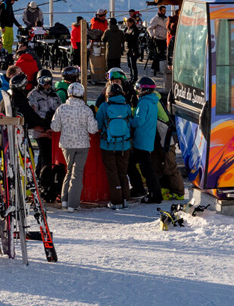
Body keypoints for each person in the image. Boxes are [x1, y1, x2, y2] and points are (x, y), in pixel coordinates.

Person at [50, 82, 97, 211]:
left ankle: (64, 200)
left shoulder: (62, 108)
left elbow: (55, 127)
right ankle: (73, 204)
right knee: (77, 173)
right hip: (82, 144)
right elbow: (93, 129)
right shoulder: (86, 109)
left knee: (68, 171)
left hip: (66, 144)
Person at [96, 81, 133, 209]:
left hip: (108, 145)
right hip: (125, 145)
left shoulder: (104, 107)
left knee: (112, 172)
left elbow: (98, 125)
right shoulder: (127, 106)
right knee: (123, 172)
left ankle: (116, 201)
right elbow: (131, 123)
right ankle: (125, 199)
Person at [128, 76, 163, 204]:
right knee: (144, 167)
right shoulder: (153, 101)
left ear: (144, 89)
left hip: (141, 140)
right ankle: (146, 191)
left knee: (141, 168)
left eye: (138, 88)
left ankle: (152, 194)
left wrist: (128, 122)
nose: (137, 90)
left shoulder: (143, 102)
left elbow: (139, 121)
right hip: (147, 140)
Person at [147, 5, 169, 74]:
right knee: (159, 53)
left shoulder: (166, 19)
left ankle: (157, 67)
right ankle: (156, 68)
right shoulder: (156, 19)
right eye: (163, 11)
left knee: (162, 53)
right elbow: (149, 28)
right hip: (157, 38)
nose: (164, 12)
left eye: (165, 11)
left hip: (164, 38)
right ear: (159, 11)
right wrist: (152, 36)